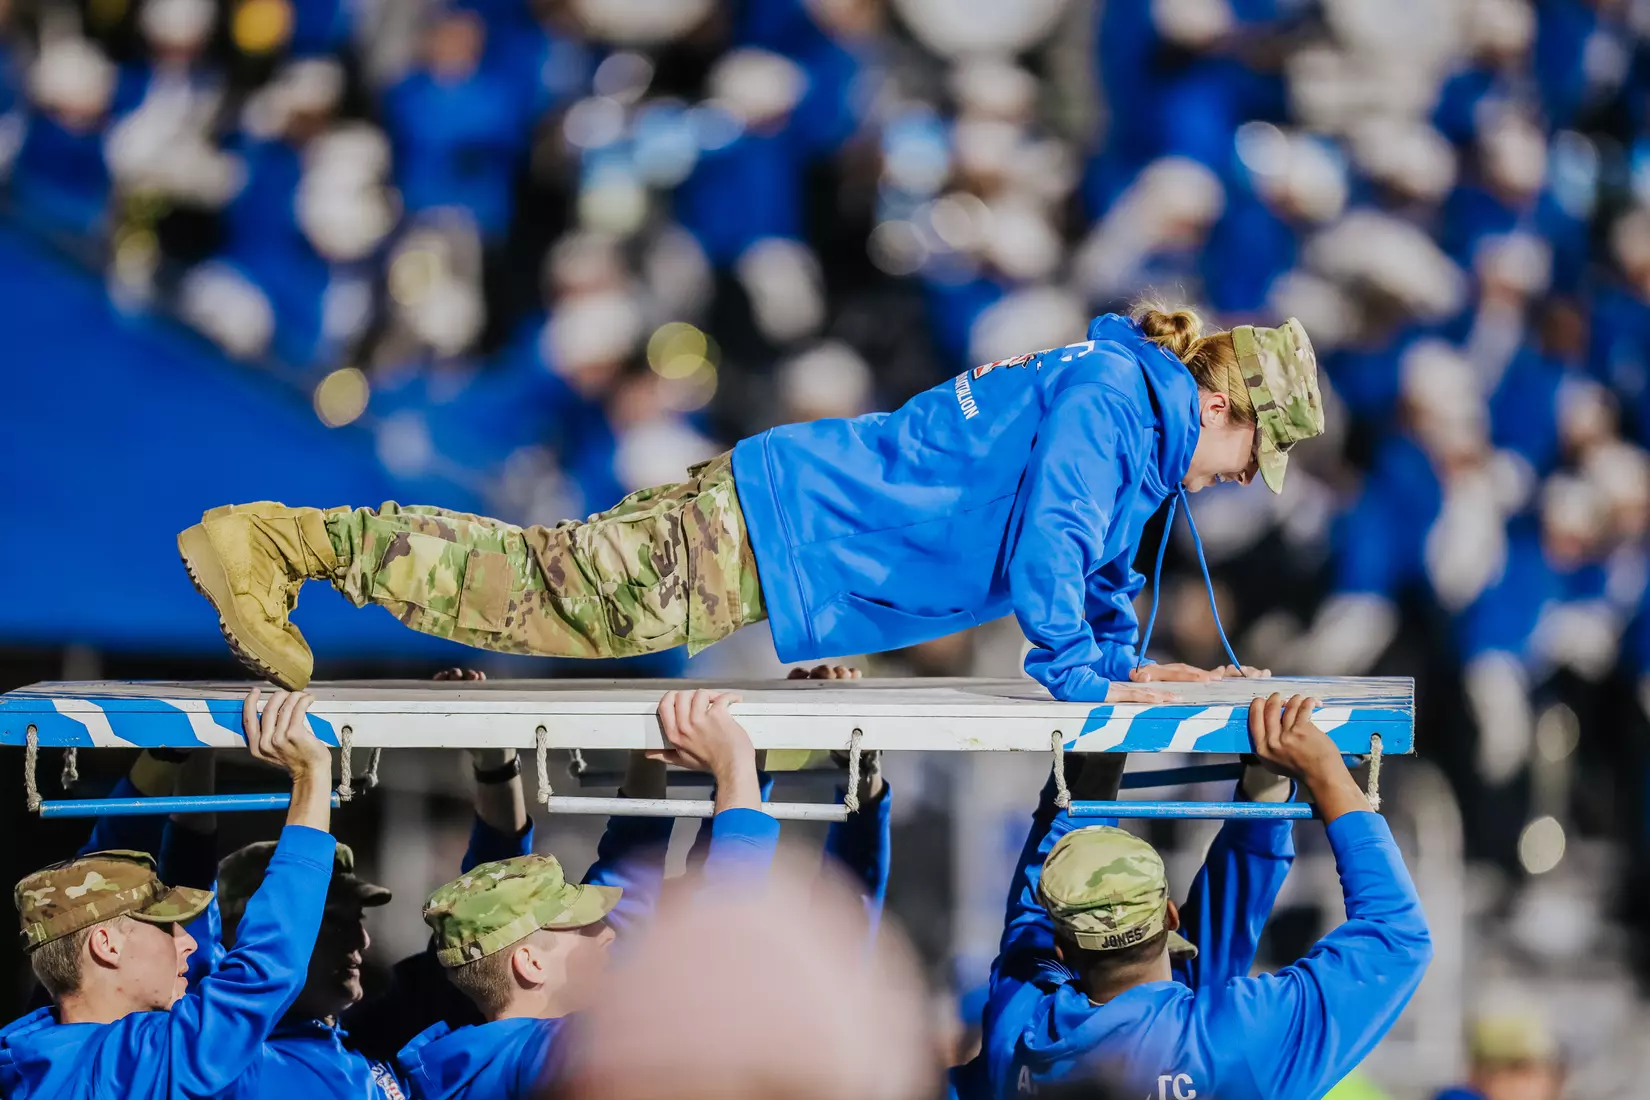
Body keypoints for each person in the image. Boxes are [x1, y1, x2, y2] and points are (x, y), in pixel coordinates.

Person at [177, 306, 1324, 700]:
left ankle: (296, 546)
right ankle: (282, 541)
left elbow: (1101, 565)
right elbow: (1055, 550)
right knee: (558, 596)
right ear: (1225, 399)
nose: (1237, 479)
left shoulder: (1132, 410)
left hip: (787, 516)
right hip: (788, 526)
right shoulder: (1121, 401)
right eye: (1250, 453)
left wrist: (1128, 664)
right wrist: (1082, 673)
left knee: (560, 593)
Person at [959, 693, 1432, 1100]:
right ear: (1169, 917)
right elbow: (1396, 937)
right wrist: (1325, 775)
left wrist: (1267, 796)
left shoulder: (1017, 1037)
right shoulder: (1232, 1039)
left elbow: (1040, 931)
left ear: (1063, 950)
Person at [395, 687, 783, 1100]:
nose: (609, 933)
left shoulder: (484, 1060)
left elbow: (627, 889)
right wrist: (733, 765)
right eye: (580, 925)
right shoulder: (548, 1059)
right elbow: (719, 971)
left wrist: (654, 755)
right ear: (530, 963)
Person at [0, 689, 337, 1100]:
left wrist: (174, 756)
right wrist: (311, 777)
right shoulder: (123, 1071)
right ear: (106, 946)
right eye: (163, 926)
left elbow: (93, 877)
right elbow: (263, 973)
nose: (188, 942)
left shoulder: (36, 1051)